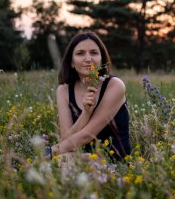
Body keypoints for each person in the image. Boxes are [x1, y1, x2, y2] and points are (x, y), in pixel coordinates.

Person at [47, 31, 131, 161]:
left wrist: (49, 152)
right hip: (79, 158)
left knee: (56, 163)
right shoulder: (63, 91)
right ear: (71, 62)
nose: (88, 59)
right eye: (80, 53)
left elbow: (87, 135)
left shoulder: (114, 86)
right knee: (57, 163)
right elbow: (65, 139)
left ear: (101, 59)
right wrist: (86, 112)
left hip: (113, 164)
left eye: (94, 53)